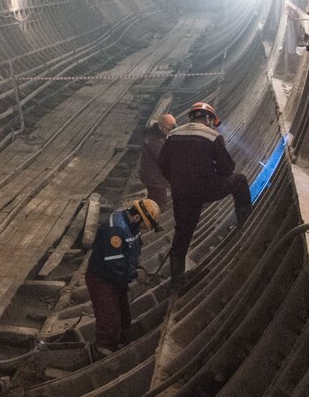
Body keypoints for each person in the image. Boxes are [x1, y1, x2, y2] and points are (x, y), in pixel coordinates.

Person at [157, 101, 252, 288]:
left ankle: (177, 280)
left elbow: (162, 165)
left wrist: (177, 180)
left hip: (180, 193)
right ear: (208, 118)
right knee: (239, 180)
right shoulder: (212, 135)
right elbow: (228, 168)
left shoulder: (173, 135)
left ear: (191, 117)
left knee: (183, 231)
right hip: (205, 190)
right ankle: (245, 221)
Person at [85, 198, 161, 356]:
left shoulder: (132, 226)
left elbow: (133, 251)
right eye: (145, 227)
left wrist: (139, 267)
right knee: (109, 318)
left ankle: (119, 346)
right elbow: (115, 265)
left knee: (124, 317)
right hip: (102, 279)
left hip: (116, 279)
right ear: (138, 218)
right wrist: (135, 274)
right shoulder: (116, 229)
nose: (144, 230)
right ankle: (103, 352)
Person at [139, 112, 176, 208]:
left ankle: (148, 220)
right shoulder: (154, 140)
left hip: (154, 177)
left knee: (152, 201)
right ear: (161, 126)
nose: (169, 132)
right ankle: (152, 221)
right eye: (168, 129)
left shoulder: (157, 135)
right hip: (154, 179)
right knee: (159, 203)